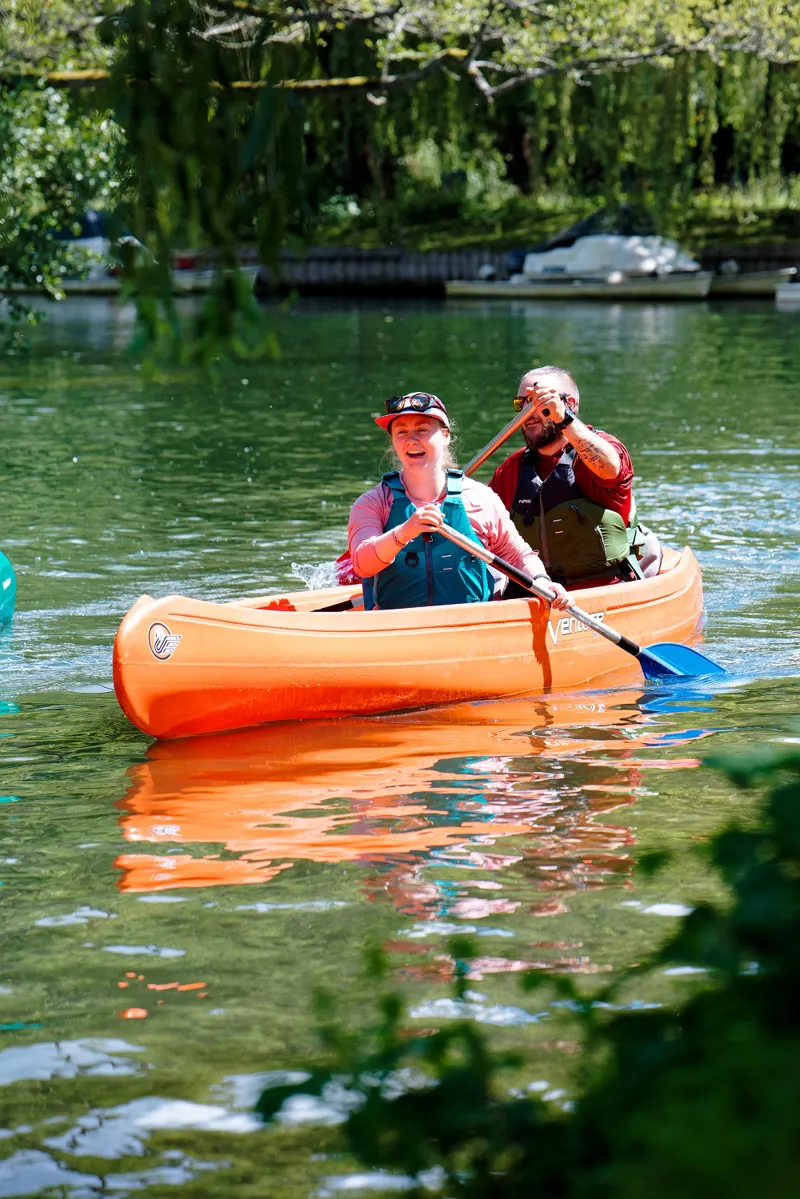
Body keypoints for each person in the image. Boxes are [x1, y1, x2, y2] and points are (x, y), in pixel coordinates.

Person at [348, 391, 570, 611]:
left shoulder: (479, 498)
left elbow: (517, 555)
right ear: (392, 440)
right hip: (397, 629)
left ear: (445, 436)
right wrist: (404, 532)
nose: (411, 440)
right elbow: (362, 564)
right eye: (401, 432)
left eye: (422, 430)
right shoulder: (373, 503)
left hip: (470, 627)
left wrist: (541, 580)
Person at [488, 365, 661, 592]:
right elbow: (481, 529)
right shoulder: (512, 468)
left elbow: (610, 469)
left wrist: (564, 419)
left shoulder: (605, 450)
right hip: (536, 593)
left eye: (539, 402)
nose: (527, 413)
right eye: (521, 404)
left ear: (569, 403)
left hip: (604, 591)